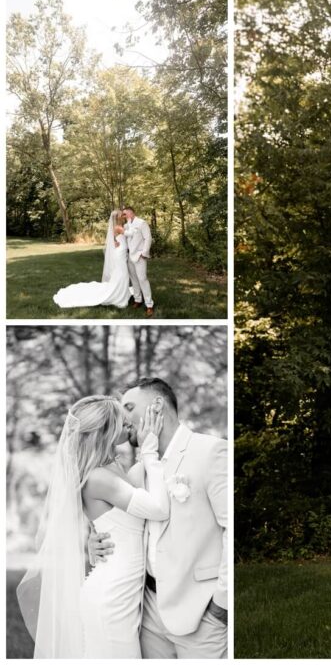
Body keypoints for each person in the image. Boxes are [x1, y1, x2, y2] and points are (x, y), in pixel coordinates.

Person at [16, 395, 169, 657]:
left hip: (123, 590)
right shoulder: (99, 478)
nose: (129, 425)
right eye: (123, 423)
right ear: (107, 431)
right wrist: (150, 451)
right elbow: (158, 509)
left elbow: (125, 513)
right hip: (112, 596)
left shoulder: (112, 466)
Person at [90, 378, 229, 658]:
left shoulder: (211, 451)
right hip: (147, 611)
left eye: (128, 407)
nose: (122, 417)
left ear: (157, 405)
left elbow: (231, 527)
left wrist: (221, 606)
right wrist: (94, 541)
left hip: (201, 614)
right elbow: (119, 524)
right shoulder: (138, 470)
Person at [52, 210, 134, 310]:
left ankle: (122, 292)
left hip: (121, 251)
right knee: (122, 273)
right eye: (122, 215)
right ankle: (118, 295)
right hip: (120, 253)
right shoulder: (118, 227)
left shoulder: (118, 226)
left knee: (121, 272)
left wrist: (115, 241)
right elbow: (130, 234)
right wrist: (130, 220)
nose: (124, 216)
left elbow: (114, 238)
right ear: (118, 217)